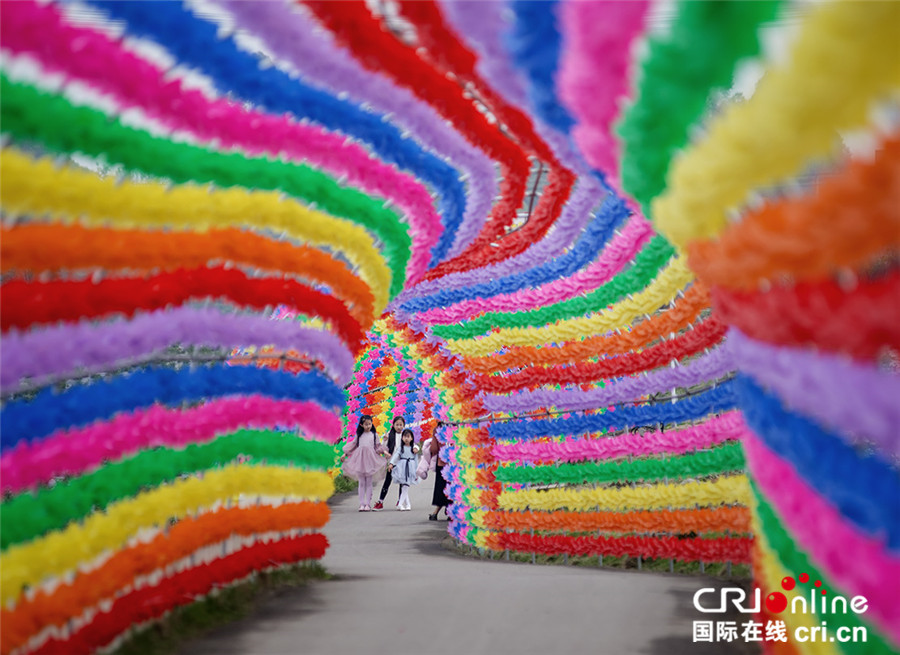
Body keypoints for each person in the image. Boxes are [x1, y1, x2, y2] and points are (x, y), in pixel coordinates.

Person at [342, 415, 389, 511]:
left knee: (368, 482)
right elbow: (353, 446)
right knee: (362, 482)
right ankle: (361, 504)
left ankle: (368, 503)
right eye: (366, 424)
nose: (368, 426)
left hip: (370, 460)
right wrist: (345, 454)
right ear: (361, 425)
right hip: (360, 460)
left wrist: (384, 452)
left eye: (370, 424)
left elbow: (377, 447)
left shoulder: (374, 435)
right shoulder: (359, 435)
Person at [417, 433, 452, 520]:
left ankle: (436, 512)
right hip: (454, 464)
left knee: (441, 489)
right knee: (451, 488)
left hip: (441, 463)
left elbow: (434, 449)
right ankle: (450, 511)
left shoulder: (438, 430)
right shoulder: (456, 427)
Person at [374, 415, 405, 510]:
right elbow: (384, 447)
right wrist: (384, 441)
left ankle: (400, 501)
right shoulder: (389, 435)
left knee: (402, 482)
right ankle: (380, 501)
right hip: (391, 462)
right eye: (397, 425)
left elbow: (412, 445)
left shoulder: (405, 435)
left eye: (401, 425)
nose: (399, 427)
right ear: (393, 425)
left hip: (402, 462)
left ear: (404, 425)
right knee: (387, 482)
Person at [387, 428, 420, 511]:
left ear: (412, 438)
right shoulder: (400, 448)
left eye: (408, 437)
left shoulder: (414, 449)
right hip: (402, 468)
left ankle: (401, 504)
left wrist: (416, 471)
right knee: (404, 486)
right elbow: (396, 456)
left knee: (405, 486)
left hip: (410, 468)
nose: (406, 438)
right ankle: (405, 504)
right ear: (402, 438)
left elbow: (416, 460)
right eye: (405, 436)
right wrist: (391, 463)